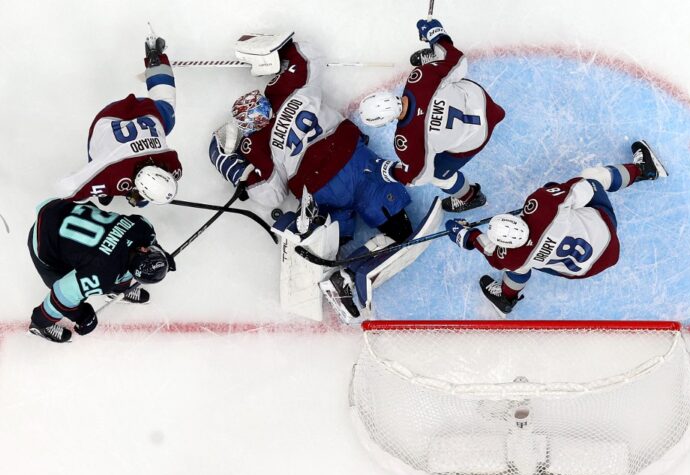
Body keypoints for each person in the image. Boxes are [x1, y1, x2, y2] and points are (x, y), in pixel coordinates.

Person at [208, 32, 418, 320]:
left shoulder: (256, 146)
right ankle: (348, 273)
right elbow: (309, 56)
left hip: (321, 192)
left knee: (332, 242)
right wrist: (275, 51)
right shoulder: (287, 91)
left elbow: (270, 194)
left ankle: (330, 263)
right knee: (401, 231)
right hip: (357, 166)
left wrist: (234, 169)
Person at [445, 141, 667, 315]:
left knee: (520, 266)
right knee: (591, 177)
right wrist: (556, 193)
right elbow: (582, 187)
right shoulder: (543, 206)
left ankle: (506, 297)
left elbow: (485, 247)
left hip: (584, 269)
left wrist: (465, 235)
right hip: (605, 234)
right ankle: (643, 170)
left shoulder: (509, 256)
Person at [358, 18, 506, 213]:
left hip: (476, 136)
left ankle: (470, 197)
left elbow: (420, 176)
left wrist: (387, 170)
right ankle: (436, 62)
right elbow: (458, 61)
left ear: (383, 123)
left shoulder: (407, 141)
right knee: (443, 75)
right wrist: (437, 36)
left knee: (438, 175)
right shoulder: (419, 78)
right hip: (482, 101)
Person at [58, 34, 182, 207]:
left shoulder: (174, 166)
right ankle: (102, 188)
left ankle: (155, 58)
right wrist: (94, 188)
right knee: (97, 159)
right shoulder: (109, 171)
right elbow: (66, 189)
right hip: (108, 119)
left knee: (166, 107)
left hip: (143, 111)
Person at [28, 199, 175, 342]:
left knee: (120, 261)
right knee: (67, 298)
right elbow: (62, 292)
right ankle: (40, 324)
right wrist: (81, 315)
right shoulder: (102, 275)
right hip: (42, 240)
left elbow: (147, 244)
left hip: (59, 207)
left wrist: (160, 255)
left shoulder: (143, 227)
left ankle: (117, 290)